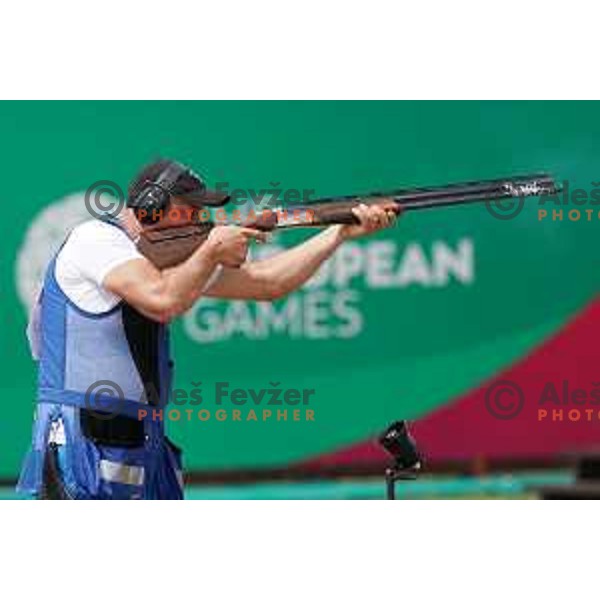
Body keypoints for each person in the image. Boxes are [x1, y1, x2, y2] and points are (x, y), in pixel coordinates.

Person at [18, 159, 398, 499]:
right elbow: (162, 299)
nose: (201, 219)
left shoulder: (161, 261)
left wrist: (337, 235)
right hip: (84, 446)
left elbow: (268, 283)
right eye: (191, 210)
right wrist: (212, 250)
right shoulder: (95, 240)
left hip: (139, 444)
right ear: (152, 207)